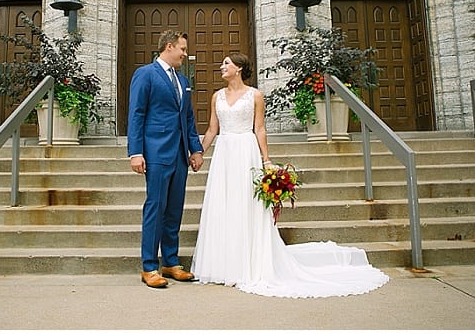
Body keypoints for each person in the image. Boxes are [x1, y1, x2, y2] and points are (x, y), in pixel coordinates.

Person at [190, 53, 389, 298]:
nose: (222, 66)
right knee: (223, 205)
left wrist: (266, 160)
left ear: (239, 68)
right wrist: (199, 153)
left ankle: (248, 264)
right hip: (224, 154)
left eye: (227, 63)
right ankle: (223, 265)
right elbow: (212, 129)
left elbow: (259, 128)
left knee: (246, 206)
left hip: (245, 151)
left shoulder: (255, 95)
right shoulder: (216, 97)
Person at [128, 29, 205, 288]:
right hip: (156, 152)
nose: (185, 53)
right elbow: (137, 114)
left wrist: (195, 149)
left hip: (180, 154)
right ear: (169, 47)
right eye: (182, 49)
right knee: (155, 207)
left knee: (174, 210)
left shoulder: (183, 80)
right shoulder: (145, 74)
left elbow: (188, 118)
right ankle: (149, 266)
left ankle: (171, 262)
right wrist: (135, 152)